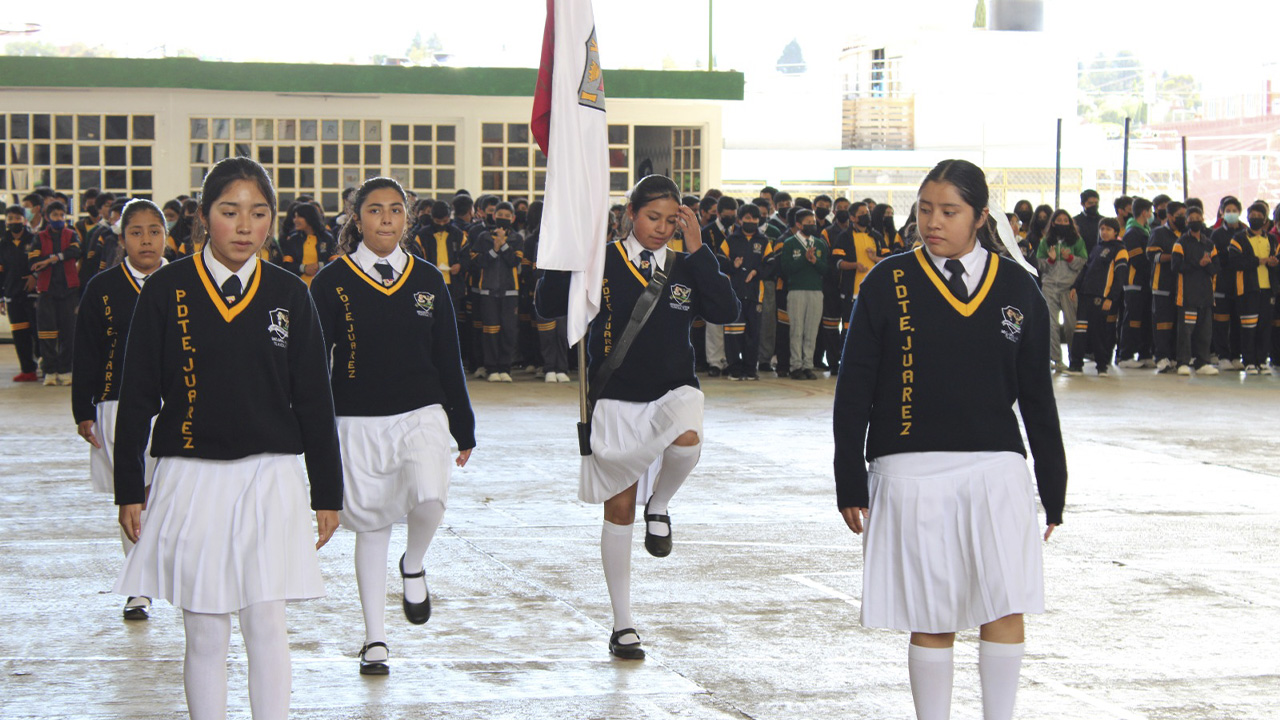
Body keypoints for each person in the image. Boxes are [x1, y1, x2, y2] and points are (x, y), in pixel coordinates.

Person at [833, 159, 1066, 720]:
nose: (932, 222)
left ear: (981, 217)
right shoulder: (887, 280)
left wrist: (1053, 484)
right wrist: (849, 479)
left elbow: (1037, 395)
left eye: (950, 211)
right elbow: (854, 387)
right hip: (910, 472)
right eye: (926, 209)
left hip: (997, 469)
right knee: (931, 615)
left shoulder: (1017, 287)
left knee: (1004, 605)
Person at [113, 157, 342, 720]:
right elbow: (137, 395)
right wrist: (128, 488)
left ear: (272, 222)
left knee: (266, 621)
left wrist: (327, 493)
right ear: (202, 218)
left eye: (258, 213)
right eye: (229, 211)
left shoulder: (291, 293)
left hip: (270, 476)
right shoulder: (167, 289)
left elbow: (315, 399)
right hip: (191, 476)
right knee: (206, 629)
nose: (244, 226)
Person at [535, 175, 738, 661]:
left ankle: (661, 504)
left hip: (672, 389)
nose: (661, 228)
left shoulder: (685, 264)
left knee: (688, 434)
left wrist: (698, 250)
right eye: (653, 218)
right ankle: (622, 623)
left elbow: (727, 310)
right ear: (630, 213)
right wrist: (568, 253)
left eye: (672, 220)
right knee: (618, 510)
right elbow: (546, 306)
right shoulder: (599, 257)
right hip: (616, 398)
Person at [310, 176, 475, 675]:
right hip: (355, 420)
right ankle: (375, 638)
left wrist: (463, 424)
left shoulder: (427, 279)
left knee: (430, 497)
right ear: (356, 218)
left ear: (409, 217)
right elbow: (315, 365)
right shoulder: (330, 282)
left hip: (421, 411)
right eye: (375, 209)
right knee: (372, 525)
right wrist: (310, 429)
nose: (386, 218)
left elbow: (448, 354)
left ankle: (414, 561)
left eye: (396, 209)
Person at [71, 199, 167, 619]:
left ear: (167, 235)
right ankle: (138, 582)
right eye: (136, 232)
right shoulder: (103, 288)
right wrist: (83, 408)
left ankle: (178, 572)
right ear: (121, 237)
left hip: (177, 403)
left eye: (154, 231)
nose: (146, 240)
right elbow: (87, 351)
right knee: (132, 494)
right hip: (116, 401)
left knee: (172, 494)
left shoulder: (186, 280)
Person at [1064, 218, 1128, 376]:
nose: (1104, 232)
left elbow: (1120, 277)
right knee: (1080, 330)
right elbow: (1086, 270)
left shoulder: (1120, 250)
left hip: (1102, 296)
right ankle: (1076, 364)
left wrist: (1111, 298)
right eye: (1102, 229)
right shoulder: (1097, 248)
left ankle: (1102, 365)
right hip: (1086, 294)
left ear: (1115, 232)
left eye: (1108, 229)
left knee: (1098, 331)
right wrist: (1075, 287)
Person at [29, 201, 81, 386]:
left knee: (68, 333)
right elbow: (34, 261)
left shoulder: (71, 234)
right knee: (47, 333)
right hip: (47, 290)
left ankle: (66, 370)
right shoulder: (40, 237)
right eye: (55, 215)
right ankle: (50, 371)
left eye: (62, 215)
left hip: (68, 290)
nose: (59, 219)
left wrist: (52, 258)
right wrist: (55, 258)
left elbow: (76, 250)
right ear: (47, 217)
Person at [472, 201, 523, 382]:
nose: (503, 219)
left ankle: (505, 368)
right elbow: (478, 262)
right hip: (488, 290)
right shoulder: (483, 237)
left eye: (507, 216)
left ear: (513, 218)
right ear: (493, 217)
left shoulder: (517, 239)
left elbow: (514, 262)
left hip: (510, 292)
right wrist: (494, 248)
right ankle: (491, 368)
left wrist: (503, 244)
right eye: (500, 215)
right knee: (491, 330)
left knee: (508, 330)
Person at [720, 203, 770, 380]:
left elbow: (770, 265)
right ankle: (734, 369)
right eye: (747, 218)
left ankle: (750, 369)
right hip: (734, 294)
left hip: (756, 294)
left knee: (753, 333)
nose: (751, 221)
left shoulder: (764, 241)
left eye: (755, 218)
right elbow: (718, 260)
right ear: (740, 220)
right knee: (733, 333)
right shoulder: (730, 240)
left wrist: (757, 272)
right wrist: (732, 266)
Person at [1228, 202, 1278, 374]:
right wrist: (1260, 261)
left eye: (1259, 216)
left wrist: (1274, 262)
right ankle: (1249, 361)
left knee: (1265, 326)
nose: (1255, 219)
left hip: (1268, 289)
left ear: (1265, 220)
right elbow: (1235, 262)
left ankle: (1262, 361)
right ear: (1247, 218)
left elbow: (1276, 258)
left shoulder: (1271, 239)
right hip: (1248, 290)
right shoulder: (1239, 239)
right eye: (1252, 216)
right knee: (1249, 327)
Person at [778, 209, 829, 379]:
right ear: (799, 224)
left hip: (816, 291)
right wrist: (804, 259)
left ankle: (808, 365)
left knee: (812, 330)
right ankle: (796, 366)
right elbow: (786, 269)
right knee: (797, 329)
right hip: (796, 291)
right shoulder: (790, 243)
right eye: (808, 222)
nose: (812, 225)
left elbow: (825, 270)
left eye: (813, 222)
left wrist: (815, 261)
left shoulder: (820, 244)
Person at [1035, 210, 1087, 370]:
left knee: (1071, 324)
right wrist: (1050, 260)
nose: (1063, 223)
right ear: (1053, 223)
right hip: (1049, 286)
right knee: (1051, 325)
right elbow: (1039, 266)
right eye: (1059, 220)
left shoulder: (1077, 241)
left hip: (1068, 288)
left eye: (1066, 220)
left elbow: (1084, 263)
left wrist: (1069, 258)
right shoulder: (1046, 241)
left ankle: (1075, 359)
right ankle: (1056, 360)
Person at [1170, 208, 1219, 376]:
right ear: (1186, 222)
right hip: (1187, 295)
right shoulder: (1181, 243)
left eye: (1198, 218)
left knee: (1204, 331)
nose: (1195, 221)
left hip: (1206, 295)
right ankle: (1183, 362)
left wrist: (1208, 265)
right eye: (1192, 218)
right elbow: (1176, 266)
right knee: (1186, 331)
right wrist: (1199, 264)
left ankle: (1202, 362)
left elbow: (1216, 268)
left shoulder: (1209, 244)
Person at [1, 206, 40, 381]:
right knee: (19, 334)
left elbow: (42, 264)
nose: (14, 222)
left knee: (37, 332)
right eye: (10, 218)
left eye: (17, 218)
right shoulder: (3, 244)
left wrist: (34, 276)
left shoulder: (35, 240)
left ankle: (45, 365)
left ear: (24, 220)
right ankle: (27, 370)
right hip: (12, 295)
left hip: (33, 295)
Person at [1117, 198, 1156, 368]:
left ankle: (1144, 353)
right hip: (1134, 282)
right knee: (1132, 319)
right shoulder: (1132, 232)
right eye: (1150, 211)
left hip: (1146, 283)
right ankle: (1125, 355)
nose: (1152, 215)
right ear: (1145, 212)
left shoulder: (1146, 231)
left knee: (1145, 318)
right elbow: (1138, 259)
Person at [1148, 202, 1186, 373]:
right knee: (1162, 323)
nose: (1183, 218)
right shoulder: (1158, 233)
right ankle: (1161, 357)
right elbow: (1152, 255)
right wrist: (1175, 257)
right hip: (1162, 285)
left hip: (1183, 286)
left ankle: (1175, 356)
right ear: (1170, 216)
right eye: (1180, 215)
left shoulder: (1186, 233)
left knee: (1179, 324)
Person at [1211, 198, 1246, 370]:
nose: (1231, 213)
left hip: (1240, 284)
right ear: (1222, 213)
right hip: (1222, 284)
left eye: (1234, 210)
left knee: (1238, 322)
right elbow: (1215, 258)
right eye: (1228, 210)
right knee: (1221, 322)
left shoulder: (1245, 232)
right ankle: (1223, 356)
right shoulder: (1216, 234)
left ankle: (1235, 356)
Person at [280, 203, 336, 286]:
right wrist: (304, 268)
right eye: (294, 217)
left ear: (309, 217)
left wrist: (319, 266)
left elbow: (335, 263)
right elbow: (286, 265)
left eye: (299, 216)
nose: (295, 220)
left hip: (322, 286)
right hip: (299, 287)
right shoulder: (293, 239)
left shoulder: (327, 238)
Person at [1073, 189, 1102, 255]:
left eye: (1096, 203)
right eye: (1090, 203)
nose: (1094, 206)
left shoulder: (1103, 221)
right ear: (1082, 204)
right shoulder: (1075, 221)